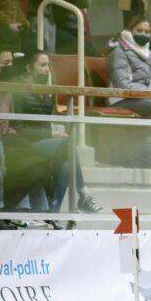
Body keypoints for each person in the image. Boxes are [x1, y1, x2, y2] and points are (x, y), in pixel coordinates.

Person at [13, 51, 102, 213]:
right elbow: (18, 128)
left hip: (42, 142)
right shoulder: (19, 90)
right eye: (42, 65)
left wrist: (52, 133)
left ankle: (53, 214)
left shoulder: (46, 91)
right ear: (28, 67)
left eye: (48, 65)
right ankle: (83, 194)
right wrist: (51, 136)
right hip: (24, 144)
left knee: (66, 166)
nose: (47, 69)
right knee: (67, 145)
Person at [107, 15, 151, 118]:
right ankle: (149, 134)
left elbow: (148, 80)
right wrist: (149, 90)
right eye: (139, 30)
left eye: (147, 32)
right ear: (130, 31)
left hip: (141, 96)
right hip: (120, 98)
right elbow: (122, 84)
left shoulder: (149, 54)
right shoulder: (118, 52)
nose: (143, 34)